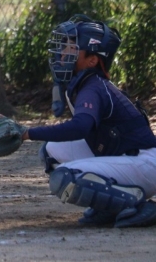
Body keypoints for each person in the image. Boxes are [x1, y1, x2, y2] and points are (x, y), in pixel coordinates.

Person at [22, 15, 156, 228]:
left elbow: (80, 127)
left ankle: (139, 205)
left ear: (92, 60)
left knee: (66, 177)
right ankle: (110, 206)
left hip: (144, 164)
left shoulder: (93, 86)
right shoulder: (87, 83)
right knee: (51, 150)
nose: (63, 53)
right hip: (130, 158)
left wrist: (28, 133)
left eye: (72, 48)